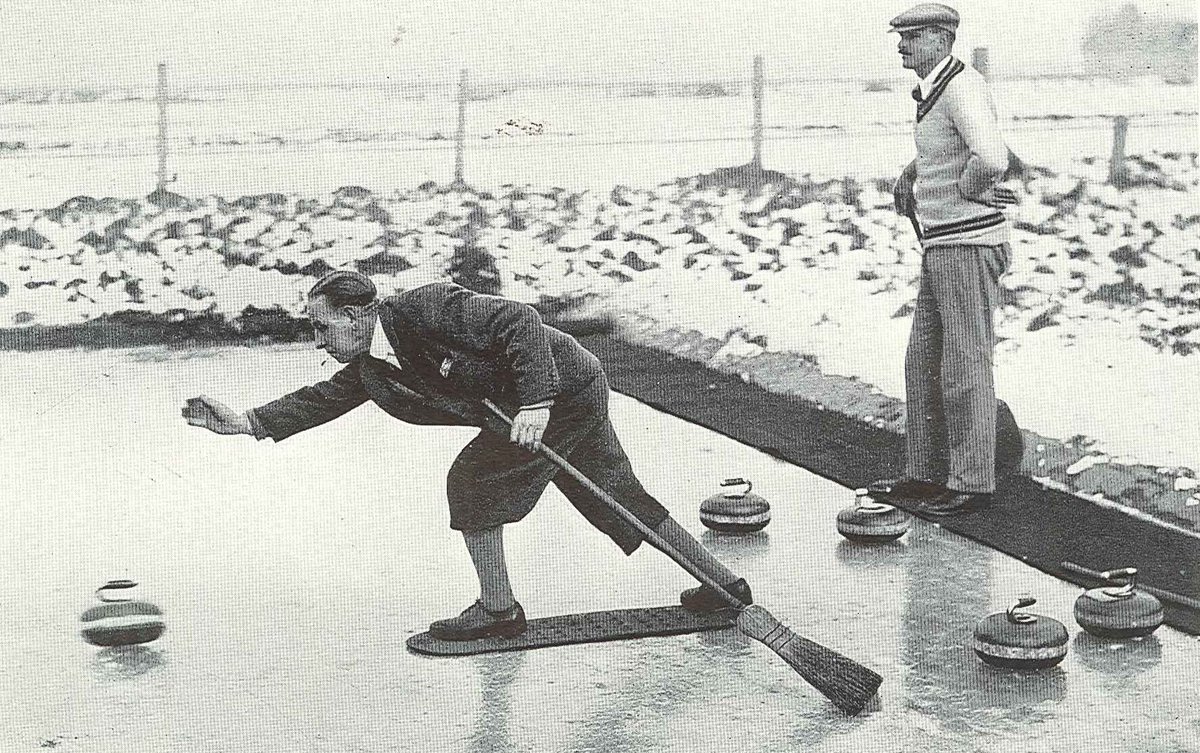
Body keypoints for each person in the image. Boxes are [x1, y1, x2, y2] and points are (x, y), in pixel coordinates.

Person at [183, 271, 752, 640]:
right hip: (548, 398)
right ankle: (725, 586)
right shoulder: (370, 365)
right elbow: (322, 399)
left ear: (357, 316)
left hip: (561, 388)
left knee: (474, 481)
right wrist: (248, 422)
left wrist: (537, 402)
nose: (318, 339)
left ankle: (498, 612)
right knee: (617, 494)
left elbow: (518, 321)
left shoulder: (423, 308)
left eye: (322, 324)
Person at [869, 4, 1018, 516]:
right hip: (942, 243)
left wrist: (969, 193)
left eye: (911, 36)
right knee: (924, 360)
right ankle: (926, 474)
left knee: (964, 364)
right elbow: (951, 143)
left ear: (940, 37)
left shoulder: (961, 86)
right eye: (901, 36)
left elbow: (993, 157)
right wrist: (912, 173)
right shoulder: (939, 89)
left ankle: (973, 482)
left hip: (967, 245)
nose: (901, 45)